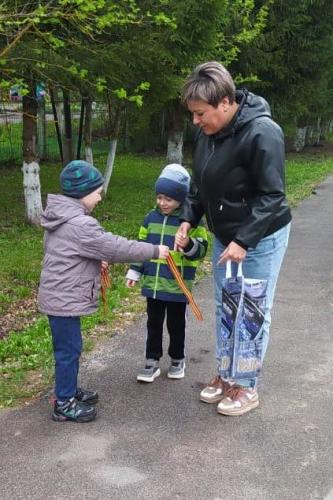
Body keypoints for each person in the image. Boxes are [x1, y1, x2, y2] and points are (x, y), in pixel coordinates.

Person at [176, 61, 292, 416]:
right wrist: (187, 219)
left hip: (259, 238)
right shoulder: (207, 133)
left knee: (252, 311)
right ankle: (227, 374)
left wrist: (243, 240)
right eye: (193, 114)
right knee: (227, 309)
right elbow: (201, 185)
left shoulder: (262, 132)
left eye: (201, 114)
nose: (196, 121)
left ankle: (247, 385)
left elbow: (273, 197)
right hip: (225, 237)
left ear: (225, 102)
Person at [38, 160, 169, 423]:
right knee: (68, 351)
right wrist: (154, 251)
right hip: (63, 299)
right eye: (97, 191)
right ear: (82, 193)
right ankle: (63, 403)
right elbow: (114, 246)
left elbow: (70, 253)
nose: (100, 196)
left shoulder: (61, 218)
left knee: (70, 348)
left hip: (59, 295)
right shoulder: (80, 225)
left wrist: (95, 259)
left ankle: (70, 391)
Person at [126, 164, 208, 382]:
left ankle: (177, 359)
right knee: (153, 323)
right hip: (153, 284)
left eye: (168, 199)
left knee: (176, 324)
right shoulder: (149, 218)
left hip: (177, 285)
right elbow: (141, 247)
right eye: (160, 197)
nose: (162, 203)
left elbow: (200, 251)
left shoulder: (191, 223)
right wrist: (134, 271)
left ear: (181, 199)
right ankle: (151, 361)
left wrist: (188, 243)